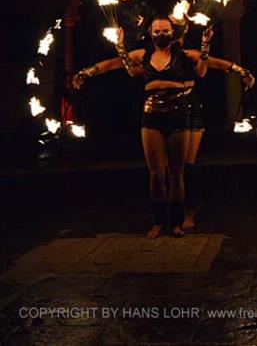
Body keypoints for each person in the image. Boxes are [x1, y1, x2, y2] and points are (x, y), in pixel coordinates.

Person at [73, 16, 213, 238]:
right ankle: (158, 221)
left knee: (177, 173)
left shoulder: (183, 55)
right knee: (157, 174)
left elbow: (204, 70)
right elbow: (117, 65)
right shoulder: (142, 55)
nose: (161, 34)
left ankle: (176, 222)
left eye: (165, 30)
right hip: (152, 117)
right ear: (150, 32)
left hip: (179, 115)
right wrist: (88, 71)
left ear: (173, 32)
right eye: (156, 31)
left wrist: (206, 46)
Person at [170, 20, 255, 230]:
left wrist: (240, 71)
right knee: (168, 168)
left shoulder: (188, 54)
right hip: (160, 115)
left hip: (189, 111)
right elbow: (124, 62)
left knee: (187, 166)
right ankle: (168, 214)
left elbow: (214, 64)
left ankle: (188, 212)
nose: (174, 39)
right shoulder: (151, 56)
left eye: (177, 36)